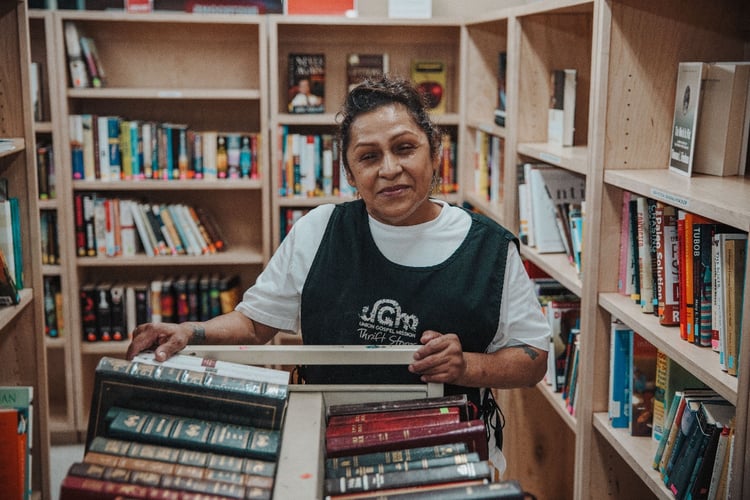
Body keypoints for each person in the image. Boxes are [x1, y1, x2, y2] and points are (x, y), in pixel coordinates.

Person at [127, 75, 550, 473]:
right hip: (332, 444)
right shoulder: (320, 230)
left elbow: (532, 361)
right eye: (368, 157)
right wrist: (190, 332)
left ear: (435, 150)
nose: (389, 169)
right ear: (349, 173)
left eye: (405, 148)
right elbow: (255, 323)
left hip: (449, 453)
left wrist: (466, 367)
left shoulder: (490, 248)